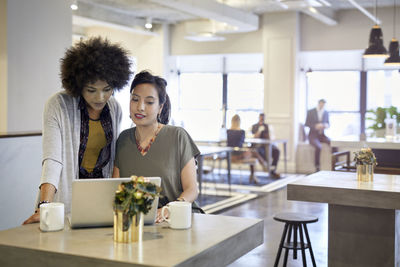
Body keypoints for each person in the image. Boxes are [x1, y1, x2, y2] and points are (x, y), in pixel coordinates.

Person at [23, 37, 132, 224]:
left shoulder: (114, 108)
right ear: (78, 85)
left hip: (100, 200)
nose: (100, 97)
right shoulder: (58, 105)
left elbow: (114, 159)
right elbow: (52, 159)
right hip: (64, 199)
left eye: (107, 89)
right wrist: (45, 205)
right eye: (91, 90)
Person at [112, 71, 200, 222]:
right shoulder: (123, 139)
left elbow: (192, 190)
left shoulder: (177, 136)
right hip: (138, 221)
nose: (140, 107)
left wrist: (169, 210)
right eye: (135, 99)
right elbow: (116, 189)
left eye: (149, 102)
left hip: (178, 219)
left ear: (160, 107)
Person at [228, 114, 267, 184]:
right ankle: (262, 165)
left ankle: (255, 173)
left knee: (251, 151)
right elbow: (241, 144)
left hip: (229, 155)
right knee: (253, 152)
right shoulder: (241, 132)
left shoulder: (228, 131)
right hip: (238, 155)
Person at [251, 113, 281, 178]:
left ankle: (272, 170)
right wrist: (259, 131)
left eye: (263, 118)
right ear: (259, 118)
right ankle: (266, 167)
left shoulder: (267, 126)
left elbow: (270, 137)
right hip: (258, 146)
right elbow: (254, 137)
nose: (262, 119)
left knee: (276, 151)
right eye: (261, 118)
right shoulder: (254, 126)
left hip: (267, 145)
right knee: (260, 151)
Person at [305, 99, 331, 172]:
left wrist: (325, 125)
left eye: (324, 105)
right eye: (321, 104)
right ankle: (317, 166)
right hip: (312, 135)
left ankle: (335, 163)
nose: (322, 106)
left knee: (333, 143)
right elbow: (306, 124)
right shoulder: (311, 112)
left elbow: (328, 124)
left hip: (322, 135)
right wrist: (315, 126)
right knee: (318, 147)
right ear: (319, 103)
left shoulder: (326, 113)